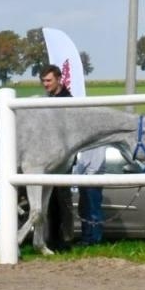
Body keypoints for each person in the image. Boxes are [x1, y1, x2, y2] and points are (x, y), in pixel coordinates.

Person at [37, 64, 85, 249]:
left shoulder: (68, 101)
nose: (46, 84)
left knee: (63, 199)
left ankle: (65, 240)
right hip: (49, 158)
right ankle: (52, 239)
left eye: (49, 80)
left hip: (64, 158)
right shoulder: (48, 100)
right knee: (50, 201)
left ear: (59, 79)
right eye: (43, 81)